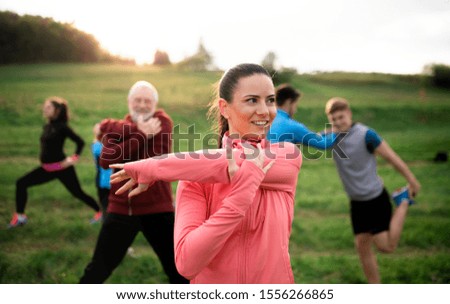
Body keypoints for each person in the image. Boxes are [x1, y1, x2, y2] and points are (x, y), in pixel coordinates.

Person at [109, 64, 303, 283]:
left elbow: (228, 161)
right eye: (252, 100)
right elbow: (186, 264)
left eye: (270, 100)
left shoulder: (287, 155)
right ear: (224, 107)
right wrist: (239, 199)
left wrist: (153, 168)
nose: (265, 110)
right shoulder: (195, 178)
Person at [79, 80, 188, 284]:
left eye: (147, 101)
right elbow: (106, 161)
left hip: (158, 209)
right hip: (121, 208)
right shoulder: (119, 127)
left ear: (155, 104)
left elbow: (154, 160)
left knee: (178, 271)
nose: (142, 105)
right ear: (129, 102)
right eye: (137, 100)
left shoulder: (162, 122)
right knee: (97, 270)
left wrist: (121, 141)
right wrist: (142, 134)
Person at [325, 97, 421, 283]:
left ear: (349, 114)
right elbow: (305, 138)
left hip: (375, 199)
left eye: (341, 117)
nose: (337, 122)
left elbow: (392, 158)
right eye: (333, 119)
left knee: (386, 247)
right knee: (362, 246)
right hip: (357, 203)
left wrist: (412, 180)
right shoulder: (331, 137)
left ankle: (402, 201)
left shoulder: (366, 135)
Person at [8, 97, 102, 229]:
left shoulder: (62, 127)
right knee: (21, 183)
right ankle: (20, 217)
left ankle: (101, 212)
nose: (44, 109)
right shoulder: (48, 125)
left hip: (61, 168)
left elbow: (80, 142)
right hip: (47, 168)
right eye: (44, 107)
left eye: (48, 107)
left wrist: (73, 159)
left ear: (57, 111)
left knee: (77, 193)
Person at [267, 83, 336, 149]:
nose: (295, 110)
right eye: (295, 105)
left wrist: (323, 133)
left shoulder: (265, 119)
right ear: (289, 102)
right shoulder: (292, 126)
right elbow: (324, 143)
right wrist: (336, 131)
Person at [91, 123, 112, 214]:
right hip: (106, 181)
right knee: (107, 206)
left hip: (104, 181)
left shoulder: (96, 146)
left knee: (106, 205)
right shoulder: (99, 146)